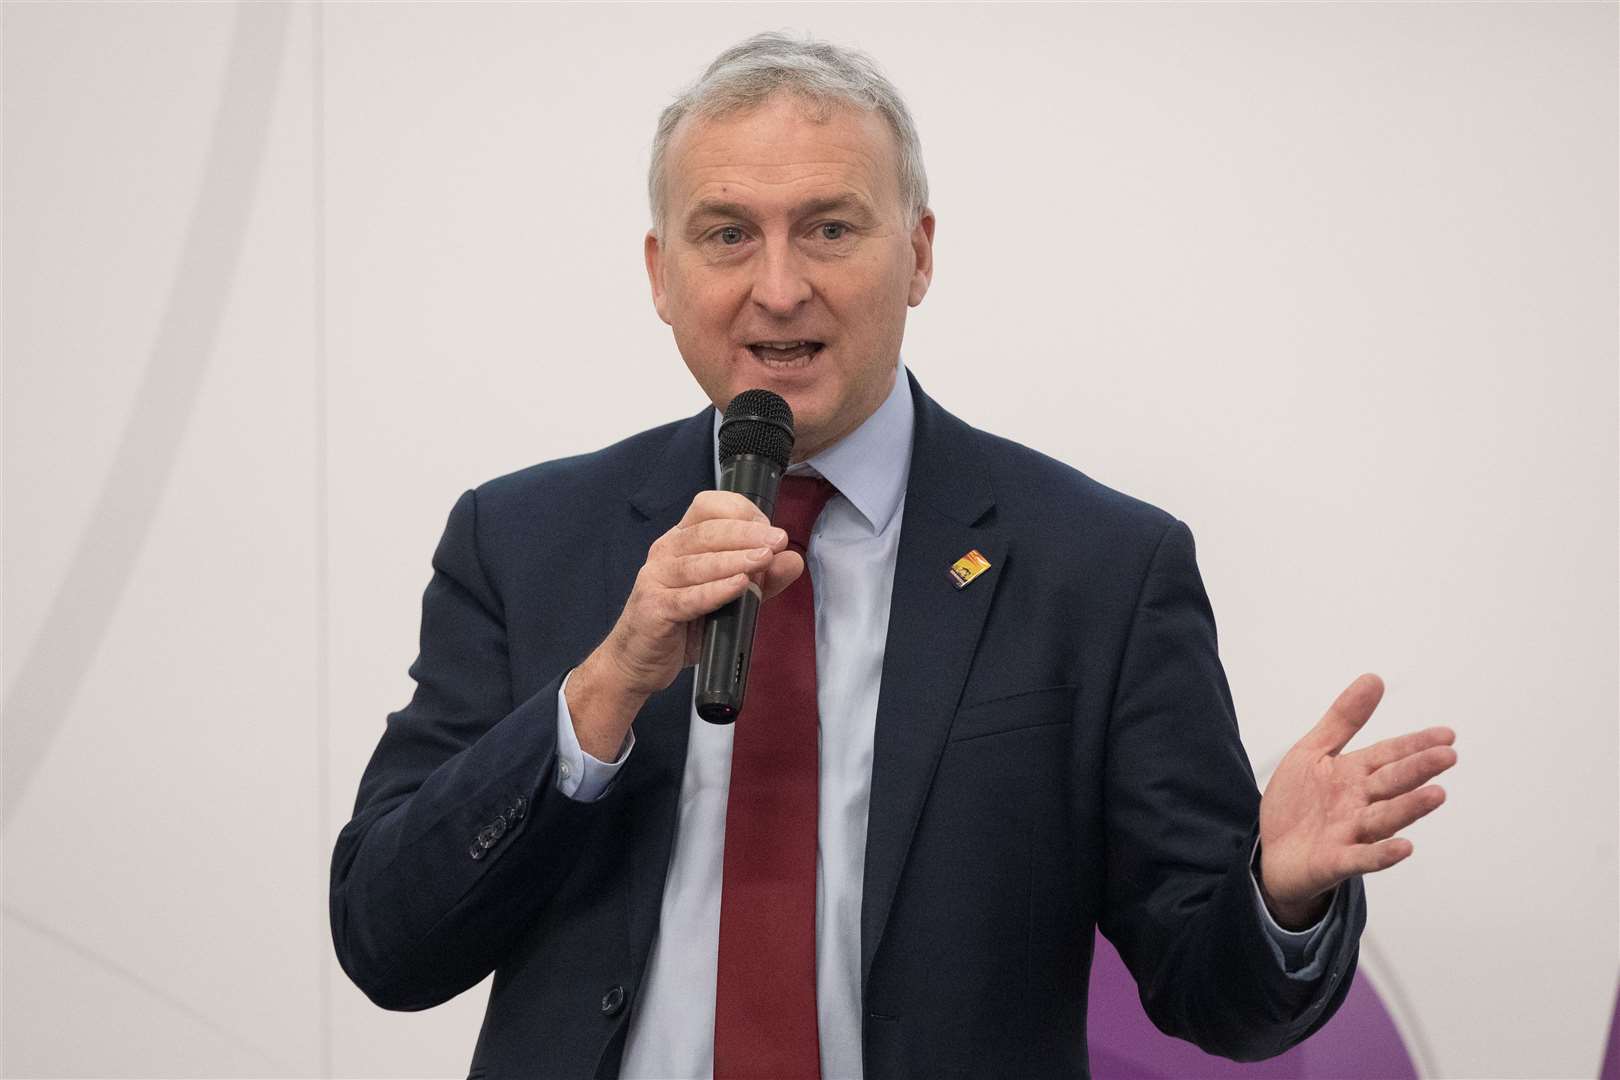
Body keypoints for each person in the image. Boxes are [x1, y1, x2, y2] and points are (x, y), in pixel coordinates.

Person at [329, 32, 1458, 1080]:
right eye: (728, 234)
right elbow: (389, 939)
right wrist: (605, 685)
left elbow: (1217, 995)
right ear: (661, 272)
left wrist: (1278, 895)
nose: (779, 287)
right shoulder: (524, 541)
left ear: (916, 254)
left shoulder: (1100, 570)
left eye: (830, 227)